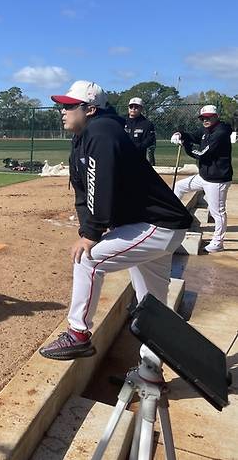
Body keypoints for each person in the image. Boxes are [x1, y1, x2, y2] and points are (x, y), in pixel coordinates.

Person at [39, 80, 193, 361]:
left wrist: (91, 234)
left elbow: (101, 184)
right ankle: (152, 369)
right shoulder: (86, 136)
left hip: (156, 225)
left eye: (69, 105)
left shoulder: (102, 131)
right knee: (152, 304)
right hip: (151, 225)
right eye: (62, 105)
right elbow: (83, 190)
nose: (62, 110)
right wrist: (89, 225)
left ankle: (78, 334)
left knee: (88, 259)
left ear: (90, 109)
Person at [171, 105, 233, 253]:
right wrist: (181, 134)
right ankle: (174, 217)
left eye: (209, 117)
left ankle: (218, 242)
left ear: (216, 116)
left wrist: (185, 145)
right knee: (179, 187)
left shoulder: (220, 132)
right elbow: (193, 135)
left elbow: (202, 154)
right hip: (204, 176)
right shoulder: (206, 129)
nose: (205, 120)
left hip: (217, 179)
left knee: (217, 211)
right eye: (203, 118)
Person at [124, 97, 156, 166]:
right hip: (122, 156)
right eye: (131, 106)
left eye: (136, 107)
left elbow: (149, 140)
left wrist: (136, 147)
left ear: (141, 108)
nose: (133, 108)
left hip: (138, 157)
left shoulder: (147, 124)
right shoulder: (121, 121)